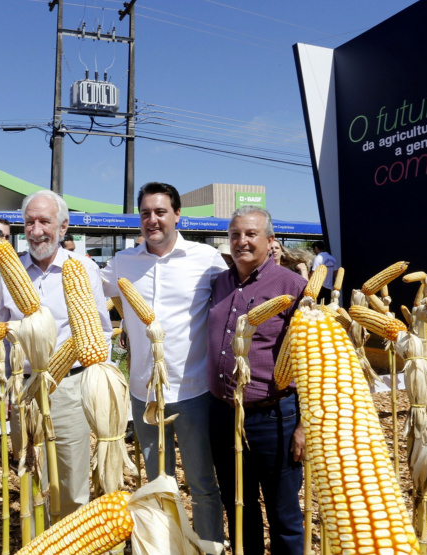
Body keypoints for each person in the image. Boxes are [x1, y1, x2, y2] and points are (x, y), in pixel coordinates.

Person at [101, 182, 227, 546]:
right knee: (157, 484)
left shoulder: (206, 259)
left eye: (160, 212)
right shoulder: (122, 262)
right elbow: (88, 289)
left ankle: (209, 548)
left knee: (202, 484)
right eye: (145, 213)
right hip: (144, 393)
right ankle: (166, 547)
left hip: (193, 392)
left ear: (177, 215)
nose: (152, 220)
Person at [0, 190, 112, 520]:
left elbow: (100, 330)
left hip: (69, 387)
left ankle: (72, 535)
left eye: (44, 221)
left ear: (63, 227)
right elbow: (2, 332)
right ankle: (39, 539)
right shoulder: (10, 271)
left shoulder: (83, 268)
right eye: (29, 222)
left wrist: (99, 382)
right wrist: (3, 385)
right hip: (24, 387)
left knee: (71, 478)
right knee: (31, 477)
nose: (36, 231)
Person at [208, 206, 306, 554]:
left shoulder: (293, 286)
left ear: (269, 240)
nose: (242, 241)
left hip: (273, 417)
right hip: (224, 414)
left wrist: (305, 426)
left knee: (283, 514)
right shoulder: (220, 282)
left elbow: (312, 360)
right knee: (239, 507)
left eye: (251, 234)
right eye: (235, 235)